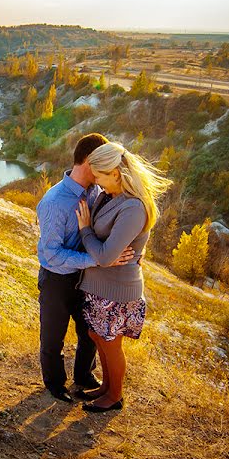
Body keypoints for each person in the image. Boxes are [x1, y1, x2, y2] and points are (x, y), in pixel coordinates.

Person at [36, 133, 135, 403]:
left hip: (89, 278)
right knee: (53, 337)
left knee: (89, 332)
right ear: (91, 162)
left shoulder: (97, 192)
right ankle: (55, 384)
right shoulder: (54, 202)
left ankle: (84, 376)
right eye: (104, 164)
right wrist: (99, 259)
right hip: (58, 280)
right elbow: (52, 255)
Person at [74, 142, 172, 412]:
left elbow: (105, 257)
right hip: (99, 285)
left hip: (116, 289)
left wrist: (85, 230)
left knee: (110, 342)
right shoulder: (112, 196)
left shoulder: (133, 208)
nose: (96, 181)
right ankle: (107, 387)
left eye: (100, 176)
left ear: (116, 173)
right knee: (96, 335)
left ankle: (115, 395)